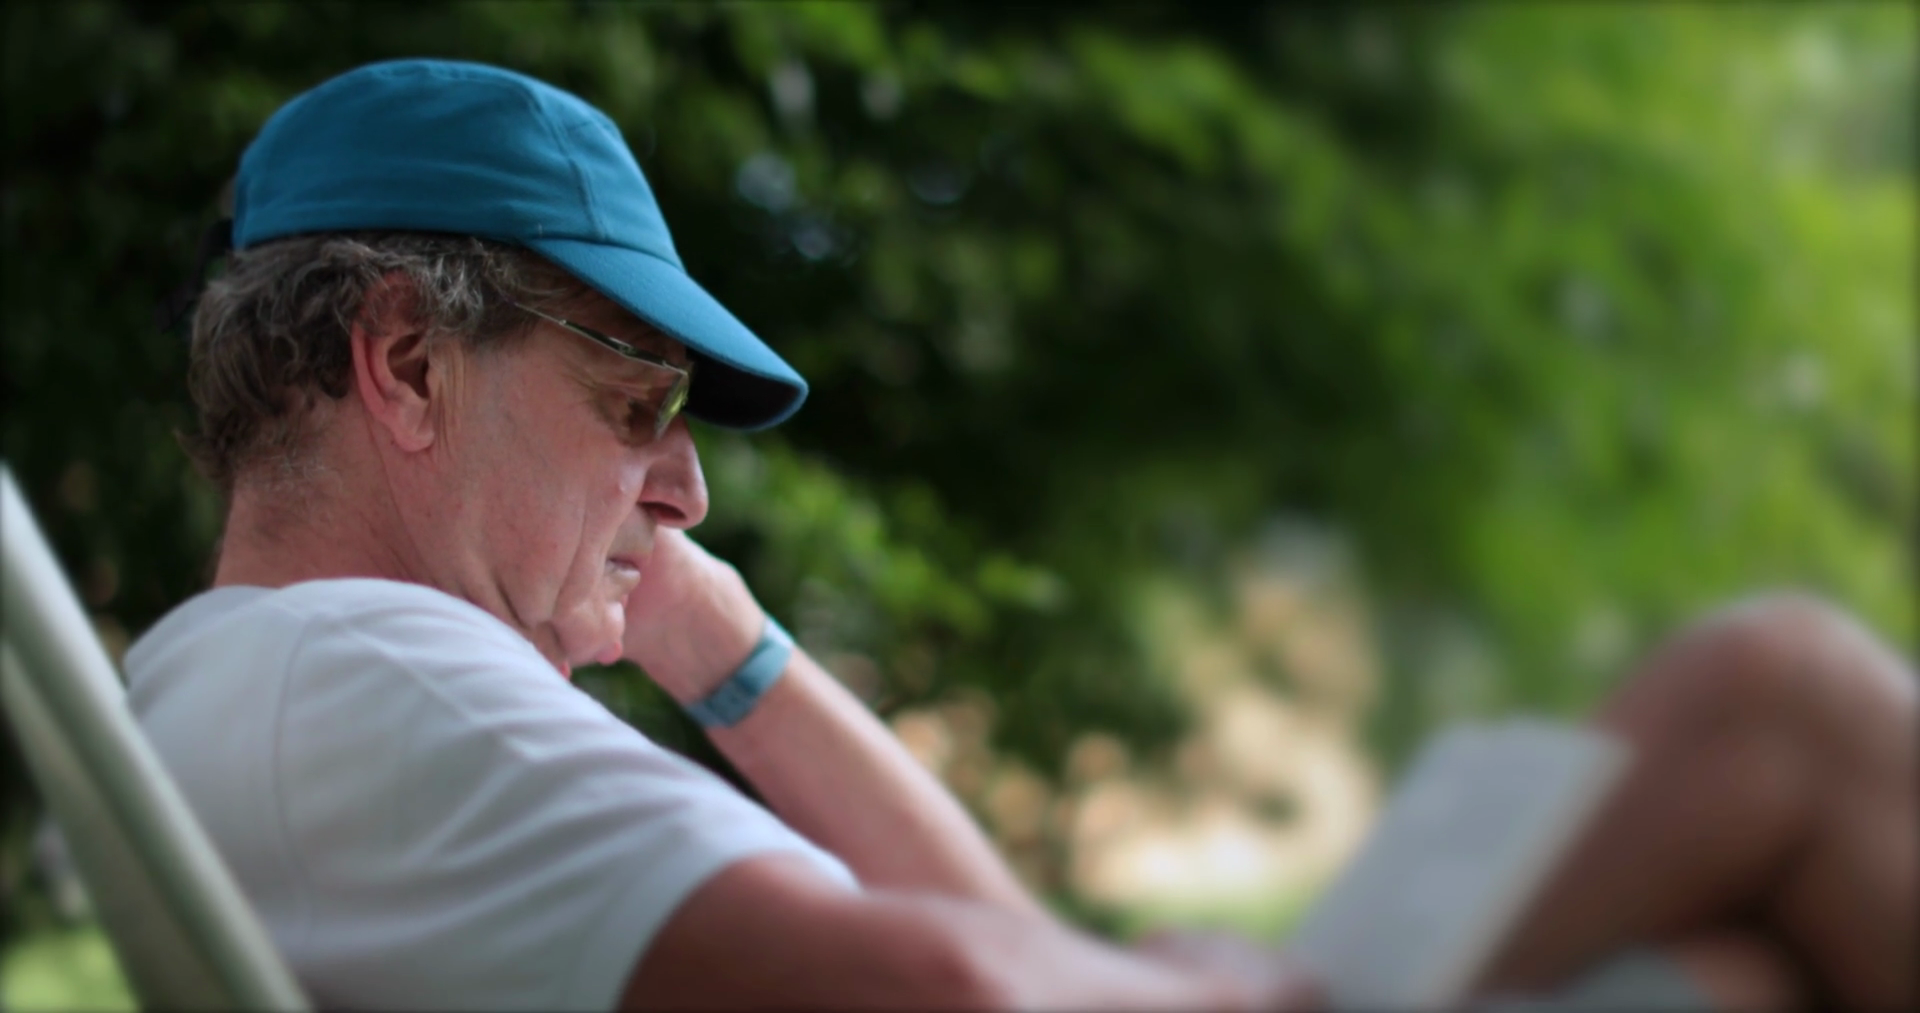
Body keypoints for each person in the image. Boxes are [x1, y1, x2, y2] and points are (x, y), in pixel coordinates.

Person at [122, 59, 1914, 1011]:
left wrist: (720, 646)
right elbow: (962, 981)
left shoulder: (273, 700)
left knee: (1745, 971)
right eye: (636, 403)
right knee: (1778, 693)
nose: (685, 487)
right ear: (407, 367)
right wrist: (1222, 990)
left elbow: (982, 939)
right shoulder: (360, 674)